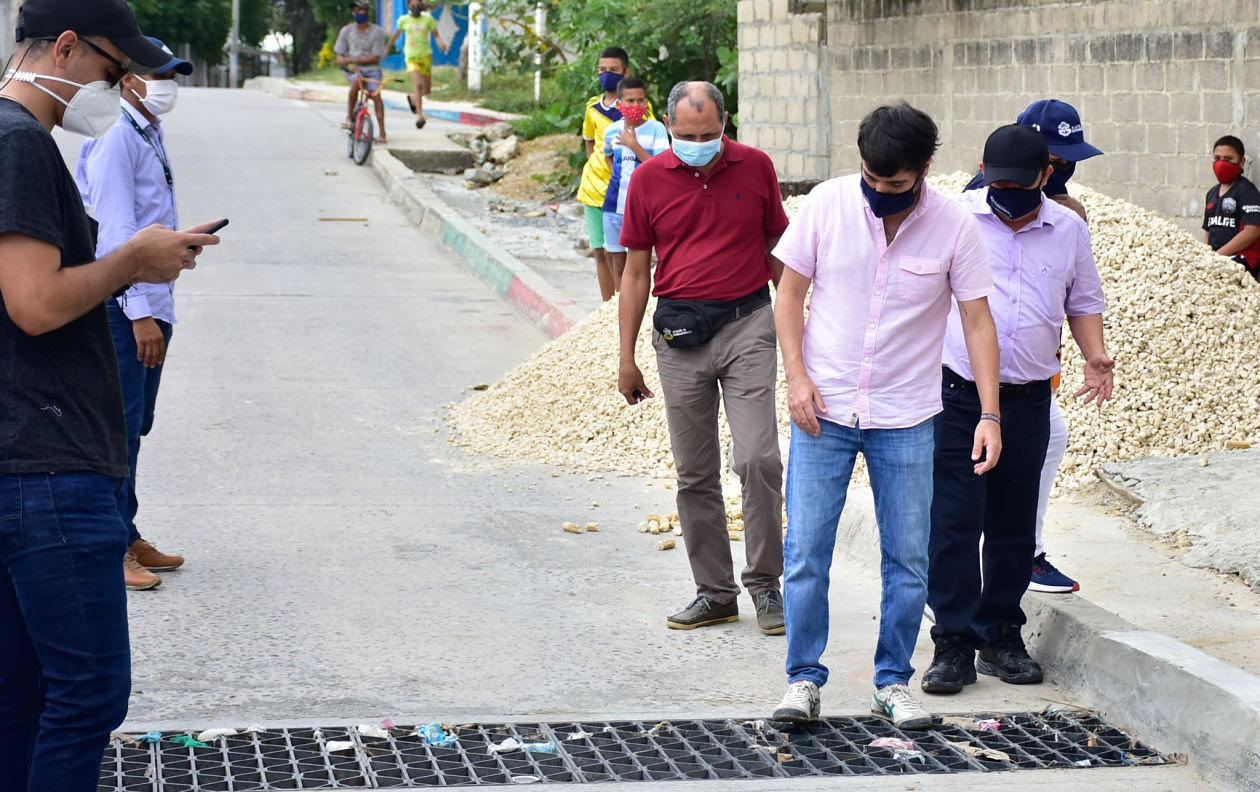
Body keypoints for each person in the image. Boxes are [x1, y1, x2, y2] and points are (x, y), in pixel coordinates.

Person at [0, 0, 220, 788]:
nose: (120, 85)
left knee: (23, 696)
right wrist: (132, 261)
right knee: (87, 695)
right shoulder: (20, 143)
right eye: (112, 68)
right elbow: (34, 303)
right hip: (47, 472)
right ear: (64, 48)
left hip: (26, 463)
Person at [770, 103, 1001, 731]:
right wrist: (796, 376)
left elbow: (978, 320)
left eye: (894, 183)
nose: (878, 190)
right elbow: (789, 294)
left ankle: (892, 682)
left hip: (907, 415)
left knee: (908, 559)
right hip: (823, 408)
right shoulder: (827, 204)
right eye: (871, 178)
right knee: (806, 550)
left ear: (924, 169)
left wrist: (990, 413)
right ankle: (803, 679)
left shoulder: (954, 226)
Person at [923, 124, 1111, 696]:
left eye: (1020, 185)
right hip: (957, 396)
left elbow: (1083, 300)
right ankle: (952, 643)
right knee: (955, 520)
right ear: (983, 171)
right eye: (998, 183)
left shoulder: (1068, 229)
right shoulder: (955, 219)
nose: (1006, 194)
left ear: (1046, 176)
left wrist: (1096, 356)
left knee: (1013, 521)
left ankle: (1000, 633)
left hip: (1028, 396)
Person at [618, 81, 789, 636]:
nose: (698, 145)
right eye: (686, 136)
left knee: (758, 458)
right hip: (680, 337)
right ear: (668, 127)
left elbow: (778, 252)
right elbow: (636, 272)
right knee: (695, 472)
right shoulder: (647, 180)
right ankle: (714, 592)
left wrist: (797, 332)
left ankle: (766, 585)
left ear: (725, 123)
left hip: (748, 323)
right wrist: (626, 357)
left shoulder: (756, 167)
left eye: (709, 134)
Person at [964, 98, 1104, 595]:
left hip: (1029, 376)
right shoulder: (975, 210)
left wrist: (1092, 354)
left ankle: (1019, 563)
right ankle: (956, 589)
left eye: (1068, 161)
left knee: (1034, 461)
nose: (1063, 169)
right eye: (1057, 159)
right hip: (965, 379)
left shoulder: (1063, 220)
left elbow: (1078, 295)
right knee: (966, 486)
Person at [75, 37, 192, 592]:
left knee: (134, 427)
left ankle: (127, 530)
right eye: (159, 75)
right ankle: (109, 547)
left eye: (173, 76)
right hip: (126, 309)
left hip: (151, 302)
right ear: (128, 79)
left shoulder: (147, 129)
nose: (168, 86)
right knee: (116, 432)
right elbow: (115, 236)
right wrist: (140, 313)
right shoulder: (117, 136)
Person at [577, 46, 652, 301]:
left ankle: (624, 302)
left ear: (626, 72)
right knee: (601, 250)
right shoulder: (592, 107)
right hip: (594, 188)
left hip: (626, 188)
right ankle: (606, 306)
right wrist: (596, 166)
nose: (606, 74)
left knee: (625, 251)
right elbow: (590, 142)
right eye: (602, 70)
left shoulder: (638, 105)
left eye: (613, 70)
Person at [601, 77, 668, 285]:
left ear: (647, 102)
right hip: (614, 205)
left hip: (645, 207)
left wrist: (633, 145)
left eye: (641, 100)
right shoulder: (611, 131)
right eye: (630, 101)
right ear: (619, 104)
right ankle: (618, 301)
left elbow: (660, 167)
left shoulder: (656, 129)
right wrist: (616, 175)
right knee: (617, 262)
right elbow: (607, 154)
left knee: (641, 264)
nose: (636, 105)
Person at [1203, 135, 1260, 282]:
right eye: (1217, 158)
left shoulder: (1247, 192)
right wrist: (1205, 255)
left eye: (1228, 159)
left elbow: (1252, 231)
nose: (1221, 163)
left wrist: (1218, 256)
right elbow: (1208, 231)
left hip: (1240, 260)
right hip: (1215, 259)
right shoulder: (1212, 193)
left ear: (1241, 161)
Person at [386, 0, 448, 130]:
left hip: (426, 56)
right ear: (408, 6)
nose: (415, 7)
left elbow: (436, 35)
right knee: (418, 84)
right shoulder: (404, 20)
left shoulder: (428, 19)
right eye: (413, 5)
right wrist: (387, 48)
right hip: (411, 57)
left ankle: (413, 97)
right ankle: (420, 116)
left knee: (426, 90)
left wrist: (440, 42)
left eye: (418, 5)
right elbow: (395, 35)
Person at [335, 1, 388, 143]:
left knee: (376, 95)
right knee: (355, 84)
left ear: (368, 12)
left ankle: (382, 133)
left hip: (372, 70)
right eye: (355, 10)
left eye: (361, 10)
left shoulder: (377, 32)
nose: (358, 13)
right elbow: (340, 57)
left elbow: (375, 58)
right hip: (353, 70)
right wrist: (347, 63)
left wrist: (352, 59)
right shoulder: (346, 31)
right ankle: (349, 118)